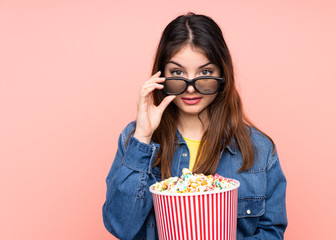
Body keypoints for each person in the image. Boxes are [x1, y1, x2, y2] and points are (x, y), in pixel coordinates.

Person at [102, 12, 287, 240]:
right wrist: (143, 137)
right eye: (178, 73)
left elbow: (271, 233)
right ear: (161, 76)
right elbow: (121, 227)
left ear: (223, 74)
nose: (191, 88)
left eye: (205, 72)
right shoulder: (135, 140)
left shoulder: (259, 149)